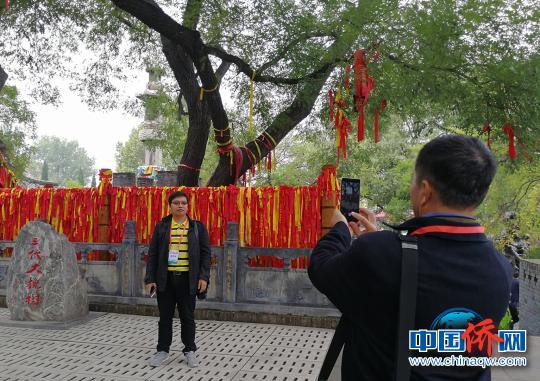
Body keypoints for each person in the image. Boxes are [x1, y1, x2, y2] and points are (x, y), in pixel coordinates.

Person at [309, 135, 512, 380]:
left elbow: (321, 268)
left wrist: (340, 228)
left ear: (425, 191)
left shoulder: (379, 254)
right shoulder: (501, 269)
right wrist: (390, 244)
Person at [144, 191, 211, 368]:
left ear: (188, 206)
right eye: (176, 203)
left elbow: (206, 254)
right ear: (170, 206)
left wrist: (204, 277)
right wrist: (150, 278)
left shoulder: (197, 227)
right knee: (165, 318)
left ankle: (190, 350)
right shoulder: (162, 227)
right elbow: (153, 254)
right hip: (165, 280)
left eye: (183, 203)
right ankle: (162, 351)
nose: (180, 206)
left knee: (187, 318)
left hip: (188, 280)